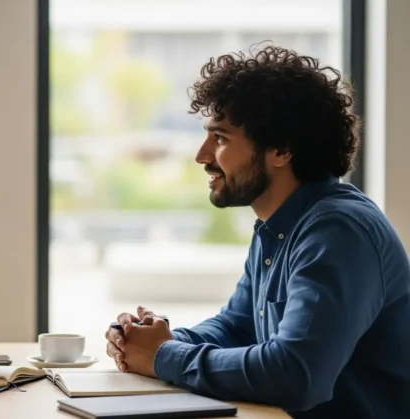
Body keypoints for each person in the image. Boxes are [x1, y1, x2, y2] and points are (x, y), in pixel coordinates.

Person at [105, 45, 410, 418]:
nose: (201, 155)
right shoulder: (279, 226)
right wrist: (151, 341)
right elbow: (238, 326)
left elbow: (297, 374)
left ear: (281, 149)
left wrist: (164, 356)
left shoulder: (337, 233)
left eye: (220, 139)